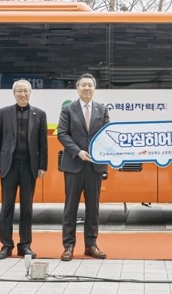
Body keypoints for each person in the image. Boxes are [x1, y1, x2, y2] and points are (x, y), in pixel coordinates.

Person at [0, 80, 48, 260]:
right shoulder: (4, 113)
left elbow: (42, 143)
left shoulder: (39, 114)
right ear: (14, 93)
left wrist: (42, 166)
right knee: (6, 207)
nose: (23, 94)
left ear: (31, 93)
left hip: (29, 167)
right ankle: (6, 245)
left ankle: (25, 245)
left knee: (27, 208)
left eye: (26, 91)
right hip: (9, 166)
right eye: (19, 91)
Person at [57, 73, 110, 261]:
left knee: (93, 208)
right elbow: (62, 134)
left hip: (95, 166)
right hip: (74, 164)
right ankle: (68, 246)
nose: (87, 88)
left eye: (90, 85)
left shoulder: (102, 110)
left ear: (94, 89)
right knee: (70, 207)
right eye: (83, 85)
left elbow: (107, 134)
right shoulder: (68, 109)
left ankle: (91, 245)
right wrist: (78, 152)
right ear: (77, 88)